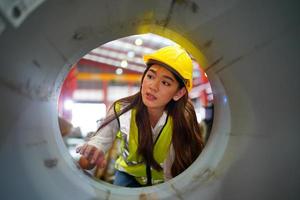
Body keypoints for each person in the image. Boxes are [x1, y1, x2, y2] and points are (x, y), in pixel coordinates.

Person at [76, 45, 204, 187]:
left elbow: (175, 169)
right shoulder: (121, 109)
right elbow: (100, 140)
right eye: (150, 76)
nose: (153, 86)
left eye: (165, 83)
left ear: (179, 93)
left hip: (163, 180)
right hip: (128, 176)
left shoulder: (183, 116)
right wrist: (93, 152)